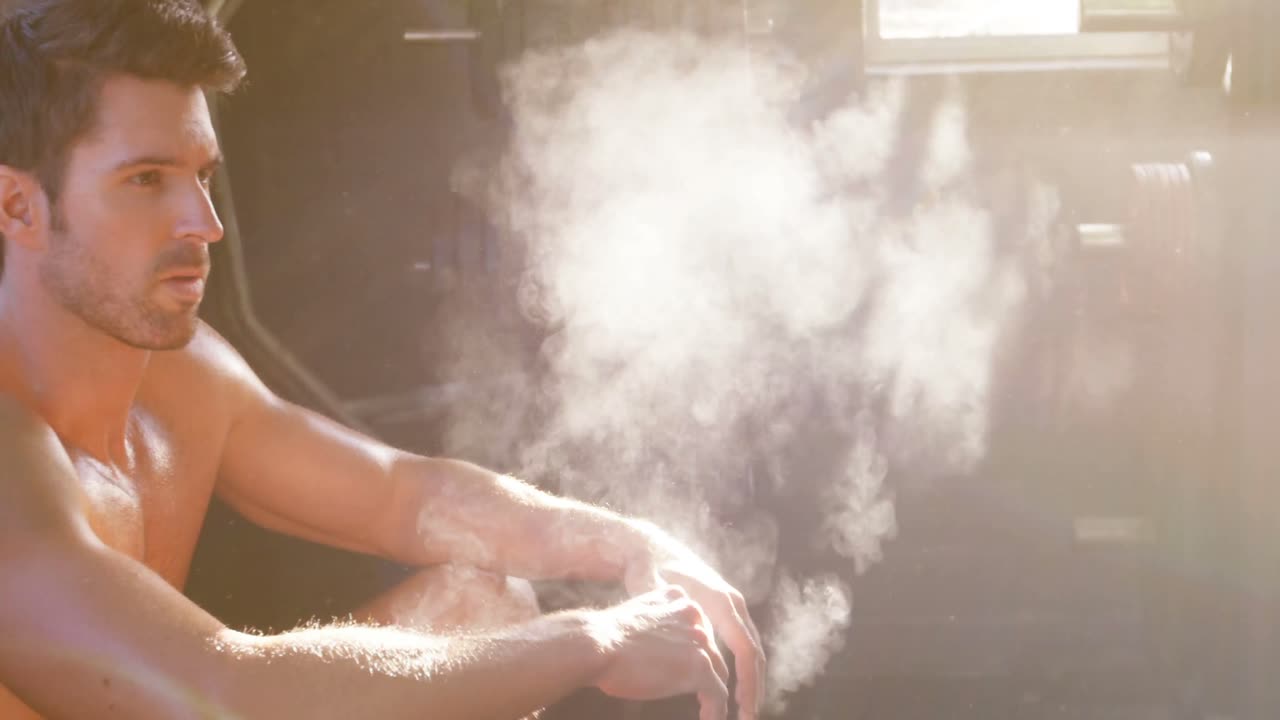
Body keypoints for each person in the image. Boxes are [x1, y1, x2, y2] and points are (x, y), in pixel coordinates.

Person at [0, 1, 765, 718]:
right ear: (18, 208)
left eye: (200, 174)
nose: (203, 222)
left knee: (481, 603)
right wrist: (592, 643)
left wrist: (633, 544)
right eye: (145, 180)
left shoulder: (178, 375)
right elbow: (226, 693)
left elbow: (400, 495)